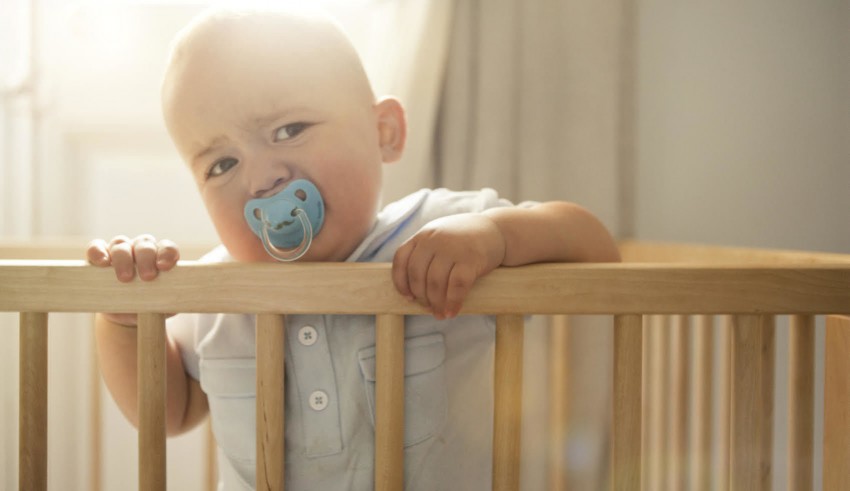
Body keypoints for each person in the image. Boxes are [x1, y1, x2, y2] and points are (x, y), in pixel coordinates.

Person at [87, 6, 620, 490]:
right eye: (221, 164)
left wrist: (496, 239)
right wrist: (126, 323)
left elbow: (595, 252)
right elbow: (167, 414)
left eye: (289, 129)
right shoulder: (219, 289)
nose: (263, 179)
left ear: (384, 131)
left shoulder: (446, 233)